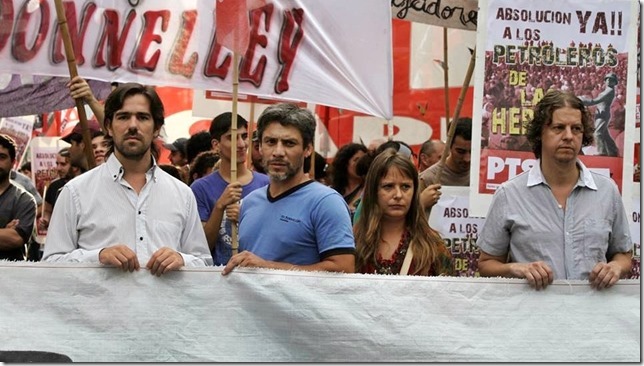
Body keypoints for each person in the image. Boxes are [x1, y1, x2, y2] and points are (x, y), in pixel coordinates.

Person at [43, 83, 212, 274]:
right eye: (123, 117)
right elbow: (51, 263)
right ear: (108, 126)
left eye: (142, 117)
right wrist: (98, 256)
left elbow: (204, 263)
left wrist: (182, 259)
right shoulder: (76, 192)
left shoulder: (182, 194)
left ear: (156, 128)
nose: (133, 126)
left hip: (161, 304)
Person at [477, 90, 632, 290]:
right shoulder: (509, 194)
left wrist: (616, 267)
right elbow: (486, 264)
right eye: (558, 128)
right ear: (540, 132)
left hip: (594, 316)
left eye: (576, 128)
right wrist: (517, 269)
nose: (569, 136)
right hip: (533, 316)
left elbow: (623, 255)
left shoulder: (607, 191)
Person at [222, 103, 355, 275]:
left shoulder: (326, 202)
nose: (278, 151)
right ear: (260, 147)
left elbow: (344, 269)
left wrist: (267, 267)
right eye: (270, 142)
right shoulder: (249, 202)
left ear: (307, 149)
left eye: (289, 143)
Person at [354, 148, 452, 276]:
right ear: (373, 191)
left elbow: (449, 292)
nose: (398, 195)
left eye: (405, 187)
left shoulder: (432, 244)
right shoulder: (354, 241)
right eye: (388, 186)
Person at [190, 112, 269, 265]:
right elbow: (202, 246)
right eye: (232, 137)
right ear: (216, 144)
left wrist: (246, 218)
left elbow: (272, 238)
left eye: (244, 136)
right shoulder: (200, 188)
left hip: (255, 276)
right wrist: (220, 207)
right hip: (217, 279)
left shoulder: (266, 184)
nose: (241, 144)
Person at [418, 118, 472, 214]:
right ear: (449, 146)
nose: (467, 159)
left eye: (472, 151)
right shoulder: (427, 179)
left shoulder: (484, 178)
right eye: (460, 152)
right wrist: (421, 203)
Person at [0, 134, 37, 260]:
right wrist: (3, 231)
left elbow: (15, 239)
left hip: (10, 275)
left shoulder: (24, 200)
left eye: (2, 157)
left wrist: (9, 235)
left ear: (13, 162)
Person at [579, 72, 620, 157]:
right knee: (605, 134)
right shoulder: (607, 90)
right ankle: (613, 151)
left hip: (603, 113)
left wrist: (583, 100)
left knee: (598, 133)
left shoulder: (609, 91)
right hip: (601, 113)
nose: (608, 80)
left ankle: (602, 152)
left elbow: (595, 101)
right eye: (607, 78)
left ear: (614, 82)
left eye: (611, 79)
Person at [330, 143, 367, 218]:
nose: (360, 164)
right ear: (345, 163)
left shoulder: (367, 191)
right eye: (356, 160)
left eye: (363, 160)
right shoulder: (331, 191)